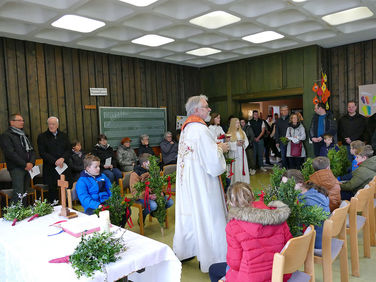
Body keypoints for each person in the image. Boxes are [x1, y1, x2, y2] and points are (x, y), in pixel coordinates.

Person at [173, 95, 229, 273]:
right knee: (209, 216)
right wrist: (221, 149)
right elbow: (213, 164)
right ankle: (212, 257)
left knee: (191, 215)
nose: (209, 110)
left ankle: (190, 250)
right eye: (206, 107)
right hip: (203, 184)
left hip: (189, 182)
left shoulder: (187, 129)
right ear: (196, 110)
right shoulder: (200, 130)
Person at [208, 182, 292, 282]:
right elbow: (289, 247)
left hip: (251, 278)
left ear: (231, 203)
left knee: (213, 269)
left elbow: (235, 264)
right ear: (252, 195)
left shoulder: (233, 226)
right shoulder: (277, 216)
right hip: (280, 274)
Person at [283, 170, 330, 249]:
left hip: (315, 242)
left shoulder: (305, 202)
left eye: (288, 184)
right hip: (324, 237)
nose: (285, 188)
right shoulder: (314, 191)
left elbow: (298, 228)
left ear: (300, 183)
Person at [0, 114, 36, 204]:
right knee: (18, 192)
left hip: (28, 167)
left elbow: (32, 150)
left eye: (22, 120)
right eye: (19, 120)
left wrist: (31, 163)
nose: (22, 122)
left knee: (25, 192)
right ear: (12, 122)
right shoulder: (6, 135)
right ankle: (16, 214)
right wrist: (25, 164)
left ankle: (24, 213)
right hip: (17, 167)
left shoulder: (24, 135)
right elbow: (10, 153)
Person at [129, 153, 173, 223]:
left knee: (170, 202)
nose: (153, 164)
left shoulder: (152, 171)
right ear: (144, 163)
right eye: (151, 162)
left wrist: (160, 193)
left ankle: (154, 212)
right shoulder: (135, 174)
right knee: (153, 205)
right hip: (141, 197)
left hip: (154, 195)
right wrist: (148, 195)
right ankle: (142, 215)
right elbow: (135, 192)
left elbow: (157, 185)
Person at [37, 116, 71, 203]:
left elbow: (68, 150)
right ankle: (54, 207)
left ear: (57, 125)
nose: (51, 126)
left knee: (66, 186)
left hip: (63, 166)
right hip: (50, 168)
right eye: (49, 124)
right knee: (52, 189)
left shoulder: (64, 136)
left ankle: (67, 206)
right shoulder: (42, 137)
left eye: (53, 124)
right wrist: (55, 161)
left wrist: (63, 158)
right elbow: (42, 153)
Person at [227, 118, 250, 184]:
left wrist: (243, 143)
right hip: (234, 153)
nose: (238, 124)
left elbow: (246, 142)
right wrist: (236, 144)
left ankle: (243, 182)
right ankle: (235, 182)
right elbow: (228, 144)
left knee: (242, 167)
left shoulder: (242, 132)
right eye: (236, 123)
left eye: (238, 123)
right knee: (235, 168)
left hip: (241, 153)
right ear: (233, 124)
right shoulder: (229, 133)